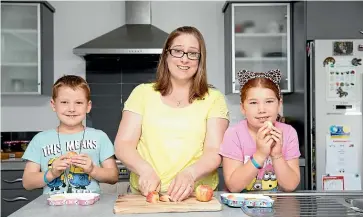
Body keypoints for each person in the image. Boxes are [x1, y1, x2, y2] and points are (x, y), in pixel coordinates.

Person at [114, 26, 229, 202]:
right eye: (177, 51)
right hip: (145, 197)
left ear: (200, 60)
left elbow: (214, 151)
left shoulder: (214, 99)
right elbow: (123, 144)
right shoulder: (142, 93)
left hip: (196, 198)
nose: (184, 59)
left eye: (192, 53)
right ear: (166, 55)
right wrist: (144, 170)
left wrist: (191, 174)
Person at [22, 75, 119, 194]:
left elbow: (113, 176)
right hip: (52, 210)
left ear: (88, 106)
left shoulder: (100, 137)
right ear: (53, 105)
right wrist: (52, 173)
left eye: (78, 102)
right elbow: (27, 182)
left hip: (90, 208)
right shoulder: (40, 140)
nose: (71, 109)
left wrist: (92, 169)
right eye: (64, 102)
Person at [220, 69, 301, 193]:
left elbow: (290, 186)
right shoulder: (234, 134)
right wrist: (260, 154)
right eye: (253, 103)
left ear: (279, 104)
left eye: (269, 101)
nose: (261, 109)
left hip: (278, 208)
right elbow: (234, 187)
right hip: (240, 209)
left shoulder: (288, 133)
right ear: (243, 108)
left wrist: (277, 155)